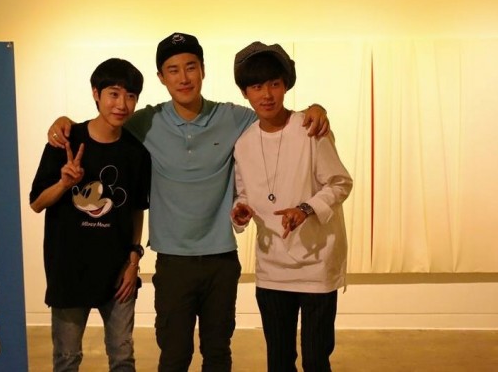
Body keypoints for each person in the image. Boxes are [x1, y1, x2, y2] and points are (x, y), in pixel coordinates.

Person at [47, 32, 330, 371]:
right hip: (173, 260)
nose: (183, 77)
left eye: (191, 67)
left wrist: (316, 108)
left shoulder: (233, 117)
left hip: (221, 258)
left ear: (203, 70)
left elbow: (273, 111)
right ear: (161, 77)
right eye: (173, 69)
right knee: (174, 355)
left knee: (218, 352)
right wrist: (67, 123)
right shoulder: (146, 122)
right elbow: (105, 124)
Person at [230, 42, 353, 372]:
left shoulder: (310, 129)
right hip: (272, 269)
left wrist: (306, 208)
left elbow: (340, 182)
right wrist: (241, 210)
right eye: (257, 86)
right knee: (279, 360)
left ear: (285, 85)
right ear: (245, 93)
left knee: (315, 360)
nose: (267, 94)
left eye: (274, 84)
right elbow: (244, 194)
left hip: (317, 266)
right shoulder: (244, 143)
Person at [30, 58, 151, 372]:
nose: (122, 104)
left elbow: (137, 209)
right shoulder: (64, 141)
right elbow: (37, 203)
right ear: (96, 93)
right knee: (67, 358)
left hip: (118, 273)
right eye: (113, 94)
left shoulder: (137, 153)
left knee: (123, 358)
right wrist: (64, 183)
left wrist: (133, 261)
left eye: (130, 96)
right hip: (69, 270)